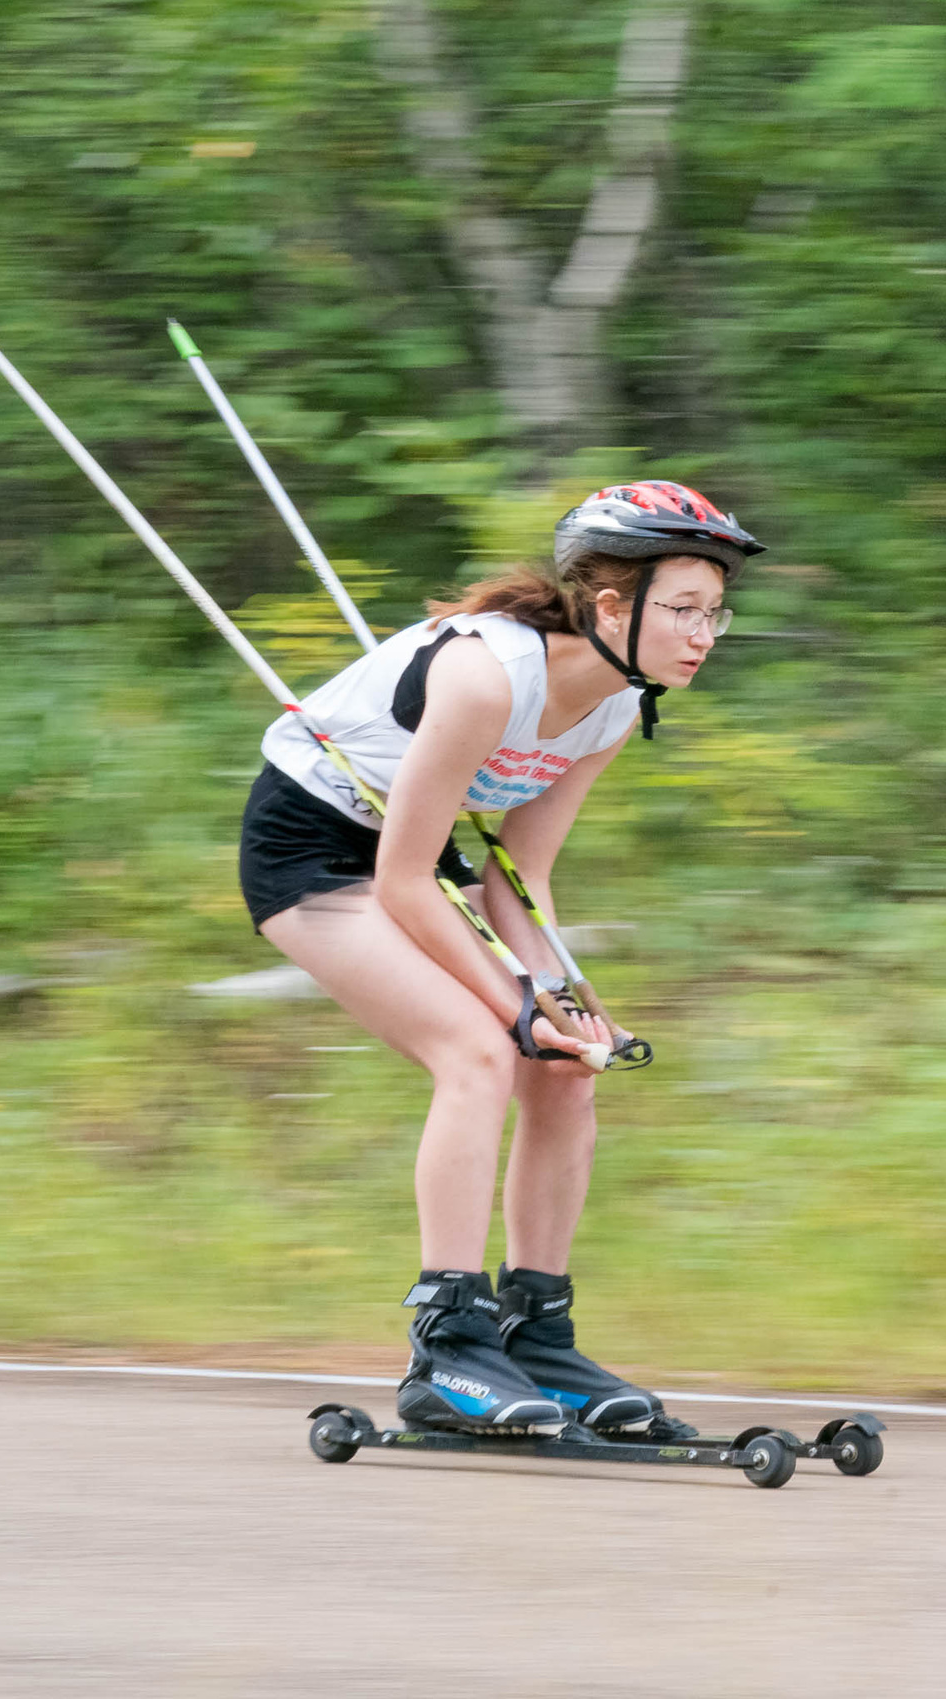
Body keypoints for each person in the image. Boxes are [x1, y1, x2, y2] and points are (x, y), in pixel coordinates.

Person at [235, 481, 761, 1435]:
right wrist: (516, 1002)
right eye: (684, 609)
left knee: (564, 1067)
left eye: (714, 612)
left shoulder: (613, 706)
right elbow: (402, 881)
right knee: (476, 1048)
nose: (704, 634)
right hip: (311, 850)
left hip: (416, 851)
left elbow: (520, 872)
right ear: (613, 606)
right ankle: (447, 1345)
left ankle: (536, 1336)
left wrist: (557, 1000)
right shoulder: (487, 678)